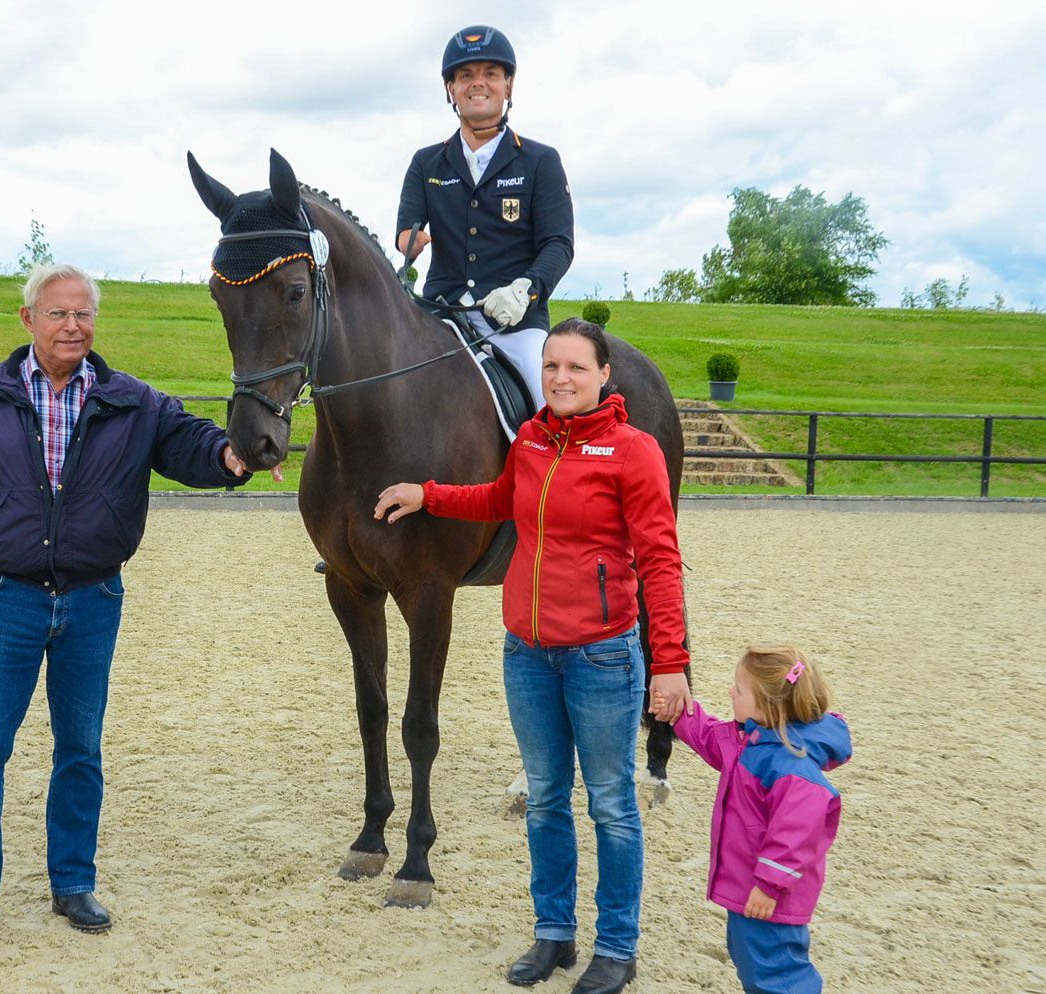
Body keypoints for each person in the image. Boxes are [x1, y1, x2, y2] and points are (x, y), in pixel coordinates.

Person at [0, 263, 274, 945]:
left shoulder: (129, 400)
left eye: (83, 314)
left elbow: (190, 440)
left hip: (92, 598)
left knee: (80, 749)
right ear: (28, 320)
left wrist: (231, 456)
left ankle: (73, 883)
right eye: (58, 314)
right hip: (5, 597)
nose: (73, 326)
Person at [374, 318, 692, 994]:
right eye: (551, 367)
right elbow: (500, 501)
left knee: (610, 803)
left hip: (603, 657)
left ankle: (616, 946)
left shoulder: (633, 453)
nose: (560, 379)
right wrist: (426, 494)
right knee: (547, 800)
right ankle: (554, 933)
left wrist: (669, 662)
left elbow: (662, 562)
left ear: (604, 375)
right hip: (528, 654)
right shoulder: (530, 441)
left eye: (576, 367)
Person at [651, 646, 852, 994]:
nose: (731, 692)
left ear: (769, 707)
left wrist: (770, 885)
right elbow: (712, 737)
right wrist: (680, 713)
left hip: (770, 896)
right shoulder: (752, 739)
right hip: (750, 888)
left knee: (777, 976)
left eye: (739, 690)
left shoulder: (792, 767)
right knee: (754, 964)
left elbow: (796, 836)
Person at [396, 24, 575, 414]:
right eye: (465, 75)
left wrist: (526, 289)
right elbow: (407, 230)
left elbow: (558, 245)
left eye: (490, 74)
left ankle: (556, 471)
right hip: (441, 315)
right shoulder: (426, 162)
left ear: (508, 86)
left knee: (548, 404)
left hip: (514, 321)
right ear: (451, 90)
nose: (478, 83)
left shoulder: (540, 161)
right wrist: (410, 239)